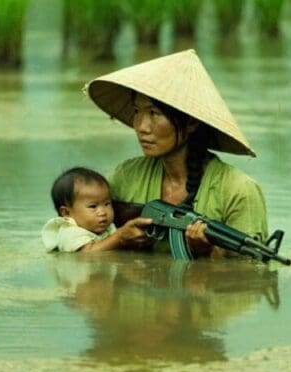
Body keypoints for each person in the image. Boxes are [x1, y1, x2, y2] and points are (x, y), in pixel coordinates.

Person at [83, 49, 269, 258]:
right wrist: (118, 239)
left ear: (191, 123)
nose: (142, 126)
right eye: (137, 112)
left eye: (154, 113)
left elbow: (252, 275)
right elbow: (73, 243)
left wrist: (209, 252)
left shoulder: (238, 190)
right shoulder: (126, 177)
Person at [42, 166, 156, 254]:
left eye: (107, 204)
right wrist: (119, 238)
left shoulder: (106, 227)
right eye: (93, 206)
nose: (103, 212)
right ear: (66, 213)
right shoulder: (69, 233)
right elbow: (88, 255)